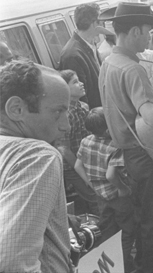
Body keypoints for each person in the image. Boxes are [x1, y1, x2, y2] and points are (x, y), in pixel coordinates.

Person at [98, 2, 153, 273]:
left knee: (143, 220)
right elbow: (152, 117)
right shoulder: (133, 69)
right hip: (145, 154)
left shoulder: (109, 62)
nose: (149, 37)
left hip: (127, 155)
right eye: (147, 31)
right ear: (134, 31)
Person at [0, 61, 74, 272]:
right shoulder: (37, 155)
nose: (66, 125)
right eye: (58, 111)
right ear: (17, 109)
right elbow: (10, 262)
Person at [75, 107, 136, 273]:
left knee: (108, 230)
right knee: (126, 231)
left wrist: (92, 184)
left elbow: (78, 165)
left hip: (100, 195)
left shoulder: (86, 141)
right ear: (109, 128)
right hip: (117, 195)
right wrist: (122, 188)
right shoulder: (115, 146)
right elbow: (111, 175)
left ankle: (111, 265)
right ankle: (125, 265)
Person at [57, 70, 100, 215]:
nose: (81, 84)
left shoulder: (84, 106)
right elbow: (64, 149)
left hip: (88, 162)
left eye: (79, 80)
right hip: (73, 166)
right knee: (94, 198)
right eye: (75, 82)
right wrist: (83, 172)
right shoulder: (66, 114)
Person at [59, 3, 103, 108]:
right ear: (94, 24)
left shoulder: (90, 44)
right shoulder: (73, 56)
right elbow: (81, 98)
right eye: (101, 21)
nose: (103, 24)